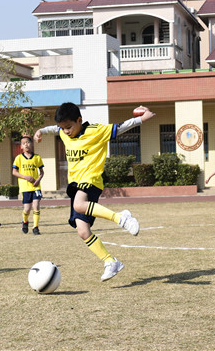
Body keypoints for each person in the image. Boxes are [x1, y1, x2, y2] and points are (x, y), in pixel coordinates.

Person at [34, 102, 156, 281]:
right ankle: (110, 262)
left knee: (79, 204)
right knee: (83, 231)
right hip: (75, 184)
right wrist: (40, 131)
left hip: (91, 180)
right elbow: (55, 129)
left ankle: (121, 218)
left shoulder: (95, 131)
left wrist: (141, 120)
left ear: (79, 120)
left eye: (69, 127)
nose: (65, 131)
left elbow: (119, 128)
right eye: (63, 128)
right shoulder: (63, 132)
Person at [12, 136, 45, 235]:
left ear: (32, 144)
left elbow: (42, 172)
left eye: (28, 142)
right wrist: (25, 177)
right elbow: (14, 172)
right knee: (27, 209)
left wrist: (38, 180)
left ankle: (35, 227)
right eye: (23, 143)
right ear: (21, 146)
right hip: (25, 187)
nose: (26, 144)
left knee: (36, 205)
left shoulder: (37, 157)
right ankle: (25, 222)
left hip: (35, 186)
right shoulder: (19, 158)